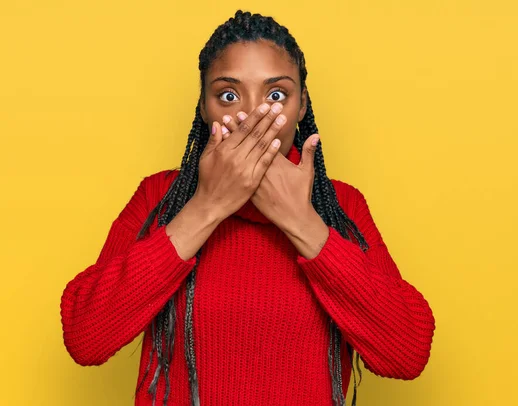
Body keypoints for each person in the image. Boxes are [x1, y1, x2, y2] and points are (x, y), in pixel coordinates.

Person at [60, 9, 436, 406]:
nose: (252, 115)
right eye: (228, 94)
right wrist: (207, 207)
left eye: (276, 95)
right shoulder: (161, 199)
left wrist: (301, 222)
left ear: (302, 105)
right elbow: (86, 339)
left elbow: (407, 354)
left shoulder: (340, 207)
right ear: (204, 107)